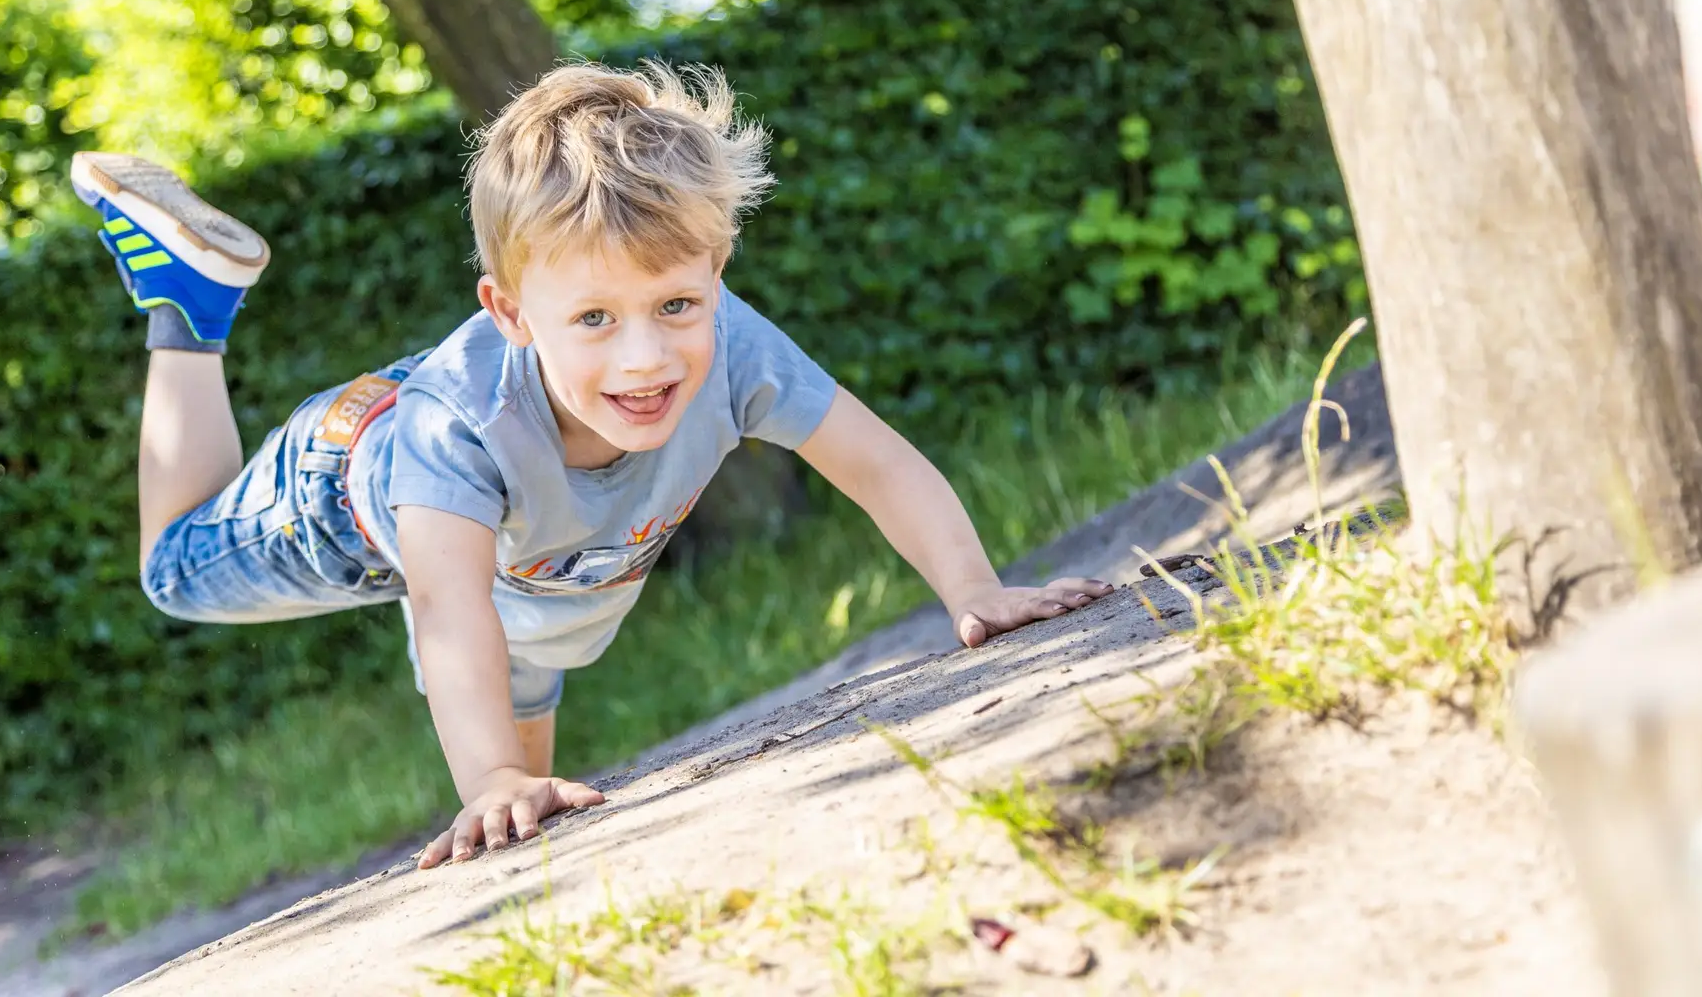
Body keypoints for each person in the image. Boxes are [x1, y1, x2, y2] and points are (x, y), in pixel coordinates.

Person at [70, 60, 1113, 871]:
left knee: (532, 751)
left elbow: (877, 461)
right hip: (347, 487)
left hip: (535, 562)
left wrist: (976, 589)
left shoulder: (734, 346)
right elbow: (449, 614)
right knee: (174, 571)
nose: (646, 357)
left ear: (716, 271)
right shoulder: (456, 431)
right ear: (512, 312)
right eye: (596, 319)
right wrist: (485, 776)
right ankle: (191, 308)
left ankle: (513, 781)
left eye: (675, 304)